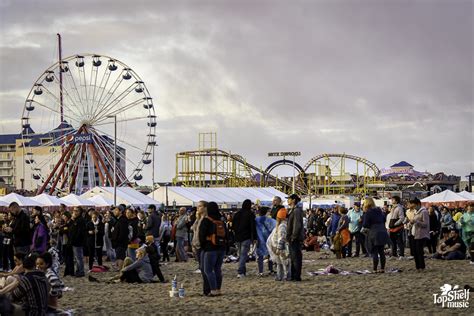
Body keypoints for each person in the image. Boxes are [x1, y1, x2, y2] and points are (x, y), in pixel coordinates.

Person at [199, 201, 227, 296]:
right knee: (217, 269)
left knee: (208, 270)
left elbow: (201, 236)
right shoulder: (221, 220)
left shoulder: (206, 220)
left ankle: (213, 290)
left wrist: (203, 247)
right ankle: (218, 289)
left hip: (210, 248)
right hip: (221, 248)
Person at [361, 197, 390, 273]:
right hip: (382, 231)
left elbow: (365, 224)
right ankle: (382, 268)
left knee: (375, 252)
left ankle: (375, 269)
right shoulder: (379, 210)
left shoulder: (368, 212)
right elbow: (384, 219)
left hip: (374, 232)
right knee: (381, 251)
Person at [233, 199, 257, 278]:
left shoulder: (237, 214)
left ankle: (243, 271)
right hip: (246, 237)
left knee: (241, 255)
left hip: (238, 237)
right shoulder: (250, 214)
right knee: (243, 255)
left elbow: (233, 226)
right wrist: (254, 237)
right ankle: (240, 272)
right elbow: (252, 227)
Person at [267, 208, 289, 281]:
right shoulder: (282, 225)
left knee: (284, 263)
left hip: (282, 248)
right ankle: (280, 276)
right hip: (280, 247)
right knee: (280, 262)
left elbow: (282, 238)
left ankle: (286, 276)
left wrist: (279, 248)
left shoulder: (282, 226)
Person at [408, 198, 430, 272]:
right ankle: (418, 267)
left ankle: (422, 267)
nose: (411, 206)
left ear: (417, 204)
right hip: (415, 234)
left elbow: (425, 224)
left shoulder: (424, 212)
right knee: (415, 251)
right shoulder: (416, 212)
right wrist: (411, 223)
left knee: (419, 251)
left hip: (422, 234)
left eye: (412, 204)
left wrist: (416, 221)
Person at [286, 194, 304, 282]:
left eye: (289, 199)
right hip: (292, 237)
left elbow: (297, 225)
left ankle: (296, 276)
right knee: (293, 257)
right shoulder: (293, 210)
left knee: (296, 257)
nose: (288, 201)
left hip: (295, 238)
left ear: (293, 200)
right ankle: (293, 275)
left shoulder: (296, 211)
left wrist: (294, 236)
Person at [255, 207, 276, 276]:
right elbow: (274, 228)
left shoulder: (255, 220)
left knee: (260, 256)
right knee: (270, 254)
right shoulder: (270, 220)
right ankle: (271, 269)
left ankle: (261, 271)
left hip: (259, 239)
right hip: (269, 239)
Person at [191, 201, 208, 277]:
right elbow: (193, 228)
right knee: (198, 258)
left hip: (202, 242)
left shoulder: (206, 218)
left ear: (205, 208)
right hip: (195, 241)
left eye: (200, 206)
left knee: (202, 260)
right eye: (198, 206)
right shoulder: (198, 218)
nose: (198, 208)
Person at [111, 206, 130, 270]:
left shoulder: (123, 220)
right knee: (119, 256)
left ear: (120, 211)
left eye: (116, 210)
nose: (114, 212)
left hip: (121, 243)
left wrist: (117, 240)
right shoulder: (119, 219)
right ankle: (119, 269)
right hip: (118, 242)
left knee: (121, 257)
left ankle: (121, 270)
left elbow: (123, 233)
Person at [59, 211, 75, 277]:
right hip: (65, 242)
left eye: (64, 217)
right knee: (66, 257)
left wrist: (62, 229)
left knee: (69, 257)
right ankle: (68, 271)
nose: (63, 218)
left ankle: (70, 272)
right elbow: (61, 231)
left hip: (69, 242)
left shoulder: (70, 223)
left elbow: (65, 230)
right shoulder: (66, 223)